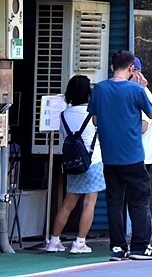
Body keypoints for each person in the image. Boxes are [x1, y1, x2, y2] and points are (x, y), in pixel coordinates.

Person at [88, 50, 152, 261]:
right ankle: (140, 246)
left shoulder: (100, 89)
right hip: (133, 156)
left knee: (114, 202)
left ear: (112, 67)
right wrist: (143, 88)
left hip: (110, 156)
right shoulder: (135, 90)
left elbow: (94, 119)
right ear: (131, 69)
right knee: (139, 201)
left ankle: (118, 247)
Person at [46, 75, 104, 254]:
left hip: (73, 163)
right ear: (88, 93)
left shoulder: (64, 115)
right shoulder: (93, 114)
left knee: (68, 204)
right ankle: (79, 242)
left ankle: (54, 240)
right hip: (93, 162)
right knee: (89, 204)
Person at [132, 59, 152, 210]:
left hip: (141, 154)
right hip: (136, 154)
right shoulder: (135, 92)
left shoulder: (143, 93)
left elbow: (143, 125)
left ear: (137, 73)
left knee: (138, 200)